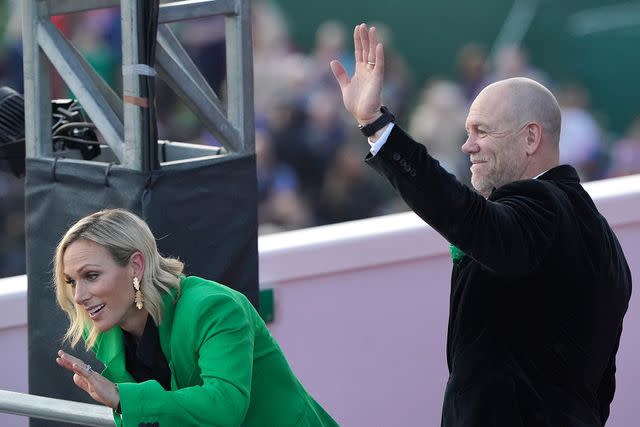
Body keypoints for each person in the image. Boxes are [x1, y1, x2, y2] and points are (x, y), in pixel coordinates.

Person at [330, 23, 631, 426]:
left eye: (481, 132)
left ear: (530, 138)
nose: (466, 146)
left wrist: (376, 125)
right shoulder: (602, 239)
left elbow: (467, 217)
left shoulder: (542, 205)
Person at [53, 208, 339, 427]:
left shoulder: (214, 307)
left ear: (135, 266)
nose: (79, 296)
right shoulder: (109, 334)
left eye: (91, 276)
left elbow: (225, 405)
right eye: (71, 282)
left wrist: (121, 398)